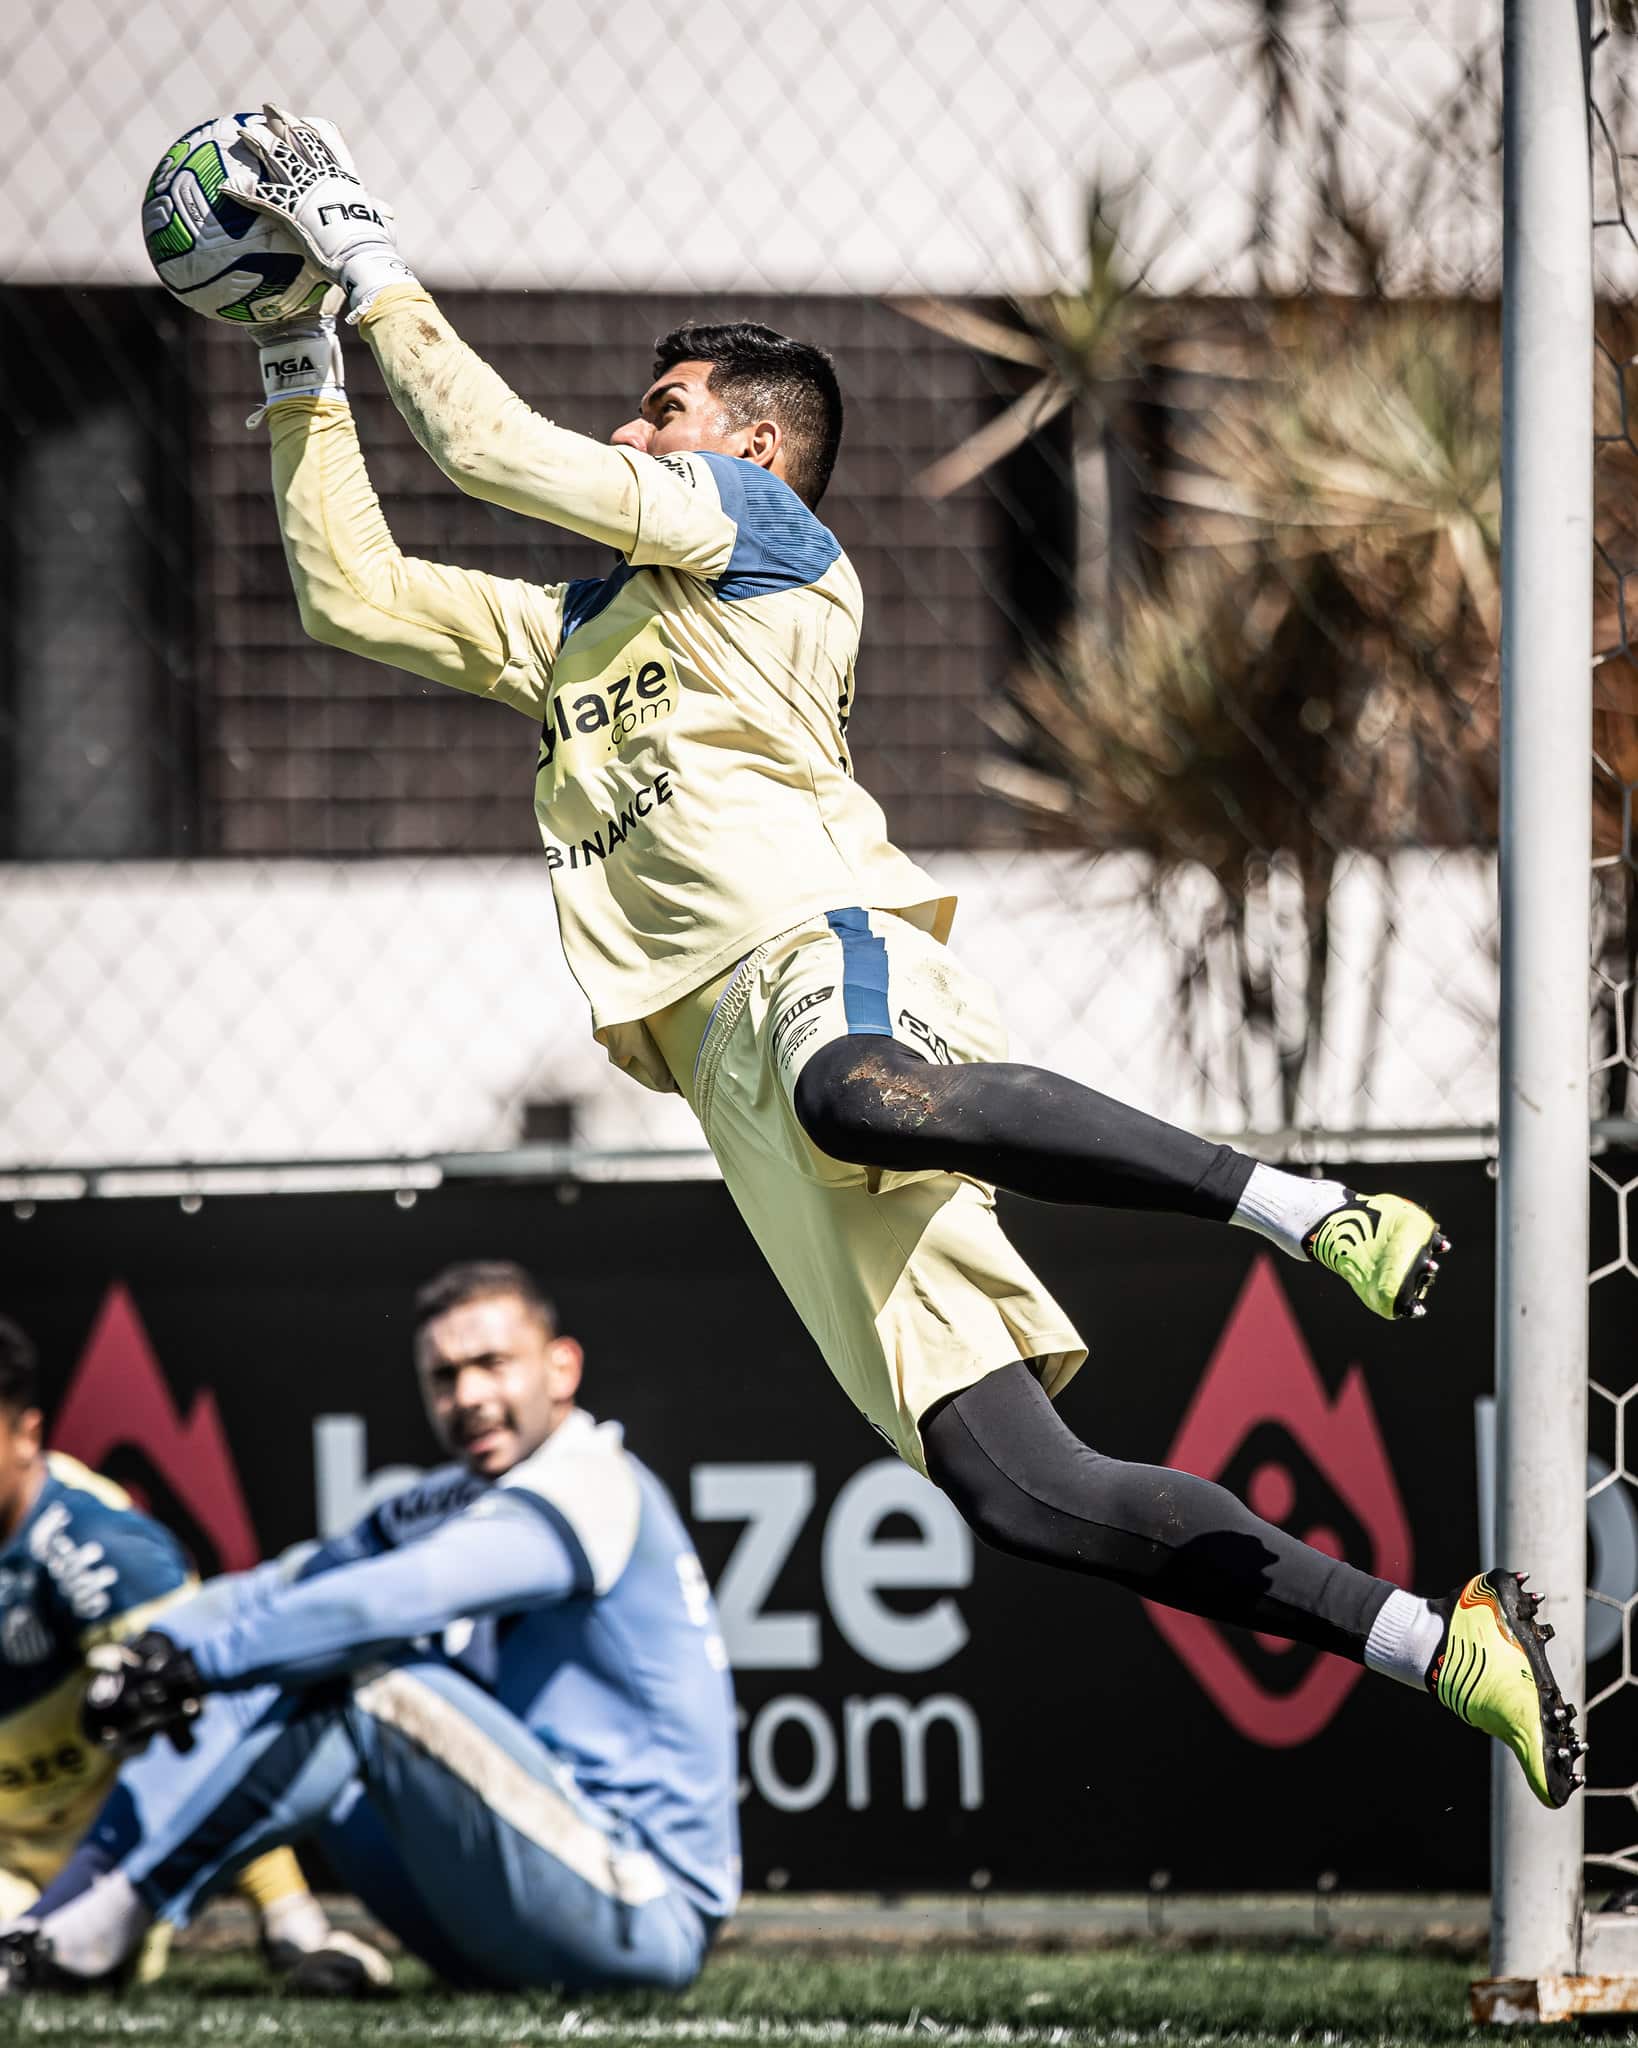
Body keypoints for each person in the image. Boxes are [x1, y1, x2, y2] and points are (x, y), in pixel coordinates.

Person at [202, 107, 1576, 1812]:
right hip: (728, 1081)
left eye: (666, 409)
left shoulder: (758, 542)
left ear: (750, 453)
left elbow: (490, 450)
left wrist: (369, 255)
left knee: (862, 1088)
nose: (637, 429)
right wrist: (290, 352)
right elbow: (350, 594)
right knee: (1023, 1490)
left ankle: (1308, 1210)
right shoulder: (566, 637)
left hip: (816, 960)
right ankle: (1434, 1642)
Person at [0, 1264, 738, 1993]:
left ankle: (103, 1933)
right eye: (445, 1376)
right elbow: (293, 1581)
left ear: (561, 1368)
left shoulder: (588, 1478)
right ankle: (72, 1924)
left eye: (493, 1364)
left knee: (355, 1673)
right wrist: (160, 1648)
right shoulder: (456, 1495)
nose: (469, 1396)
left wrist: (200, 1664)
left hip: (642, 1910)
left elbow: (396, 1599)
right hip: (539, 1887)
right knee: (297, 1688)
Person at [0, 1315, 389, 1991]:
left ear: (28, 1433)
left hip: (79, 1885)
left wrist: (288, 1919)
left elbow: (206, 1727)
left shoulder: (101, 1551)